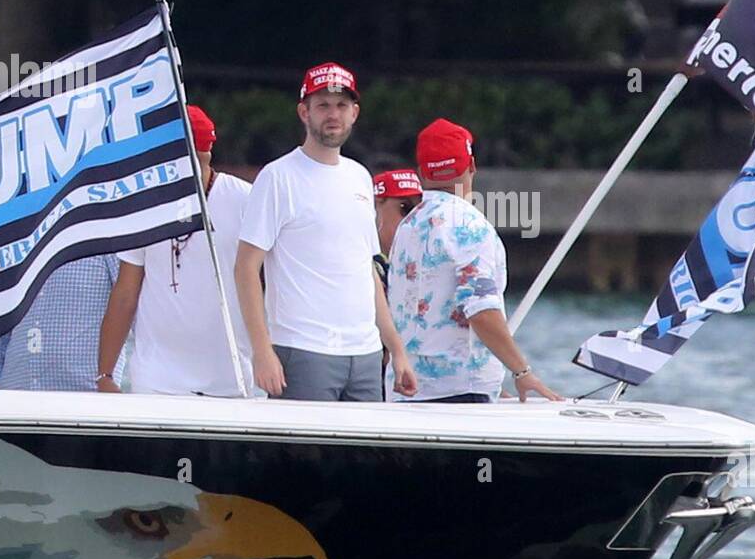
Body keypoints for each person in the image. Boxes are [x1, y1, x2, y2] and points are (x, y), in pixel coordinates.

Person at [234, 61, 417, 401]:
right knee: (304, 456)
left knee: (367, 455)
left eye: (342, 105)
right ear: (304, 112)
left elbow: (367, 270)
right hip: (302, 350)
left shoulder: (361, 177)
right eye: (323, 105)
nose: (333, 114)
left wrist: (396, 348)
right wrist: (261, 351)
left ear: (355, 113)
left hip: (364, 354)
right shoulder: (278, 177)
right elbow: (245, 267)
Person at [387, 118, 560, 404]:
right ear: (472, 166)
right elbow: (481, 310)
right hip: (460, 390)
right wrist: (521, 371)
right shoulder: (471, 226)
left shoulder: (407, 225)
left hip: (405, 388)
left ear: (420, 172)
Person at [96, 105, 253, 396]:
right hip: (156, 380)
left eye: (199, 160)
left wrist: (268, 357)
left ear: (208, 154)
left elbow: (271, 283)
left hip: (231, 378)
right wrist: (105, 374)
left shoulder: (245, 199)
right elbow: (125, 292)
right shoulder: (144, 203)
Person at [0, 255, 123, 391]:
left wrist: (106, 378)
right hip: (15, 393)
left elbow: (129, 304)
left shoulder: (105, 236)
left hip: (84, 392)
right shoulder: (16, 242)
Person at [371, 168, 422, 292]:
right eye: (406, 208)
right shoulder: (354, 264)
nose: (416, 220)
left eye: (421, 211)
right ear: (375, 207)